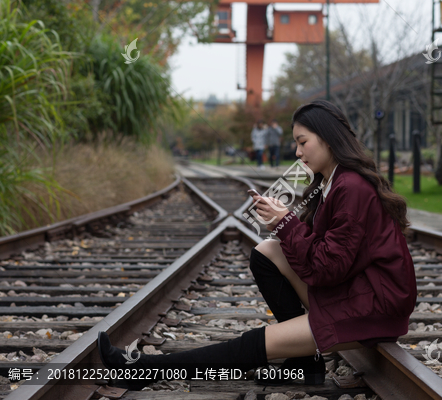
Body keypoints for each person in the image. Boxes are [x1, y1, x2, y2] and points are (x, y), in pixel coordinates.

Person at [97, 100, 417, 389]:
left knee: (254, 344)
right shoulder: (334, 181)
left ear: (329, 137)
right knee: (266, 253)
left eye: (302, 142)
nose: (297, 153)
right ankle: (304, 363)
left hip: (374, 307)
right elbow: (322, 256)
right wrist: (283, 221)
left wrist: (285, 222)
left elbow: (325, 269)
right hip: (357, 289)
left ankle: (144, 370)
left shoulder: (352, 187)